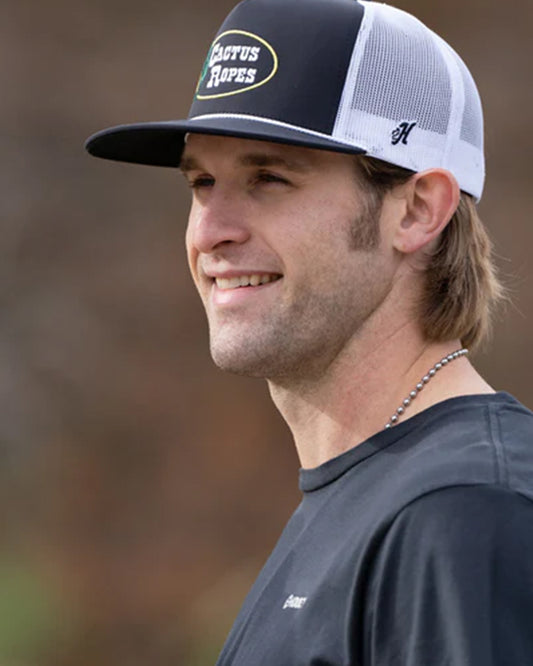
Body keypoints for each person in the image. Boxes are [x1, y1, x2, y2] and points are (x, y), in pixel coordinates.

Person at [85, 0, 533, 663]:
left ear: (416, 210)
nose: (210, 231)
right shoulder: (368, 491)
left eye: (268, 178)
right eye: (202, 181)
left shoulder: (463, 512)